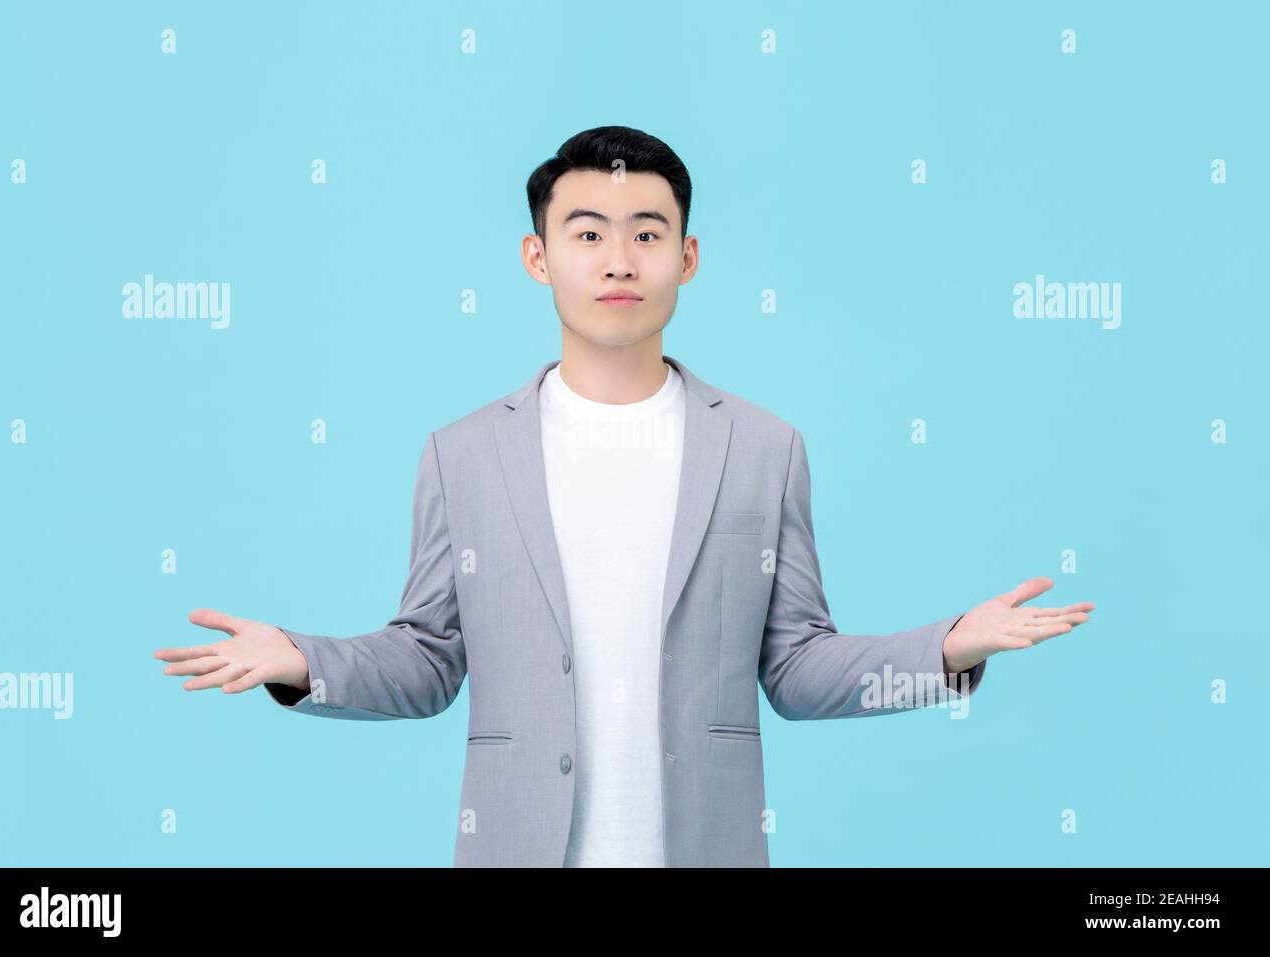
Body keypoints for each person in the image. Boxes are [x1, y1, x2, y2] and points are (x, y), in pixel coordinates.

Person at [154, 126, 1095, 867]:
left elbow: (799, 671)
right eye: (588, 233)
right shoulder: (462, 454)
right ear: (537, 257)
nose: (618, 260)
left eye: (648, 234)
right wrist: (299, 661)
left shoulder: (765, 448)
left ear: (687, 258)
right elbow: (429, 660)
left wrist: (947, 649)